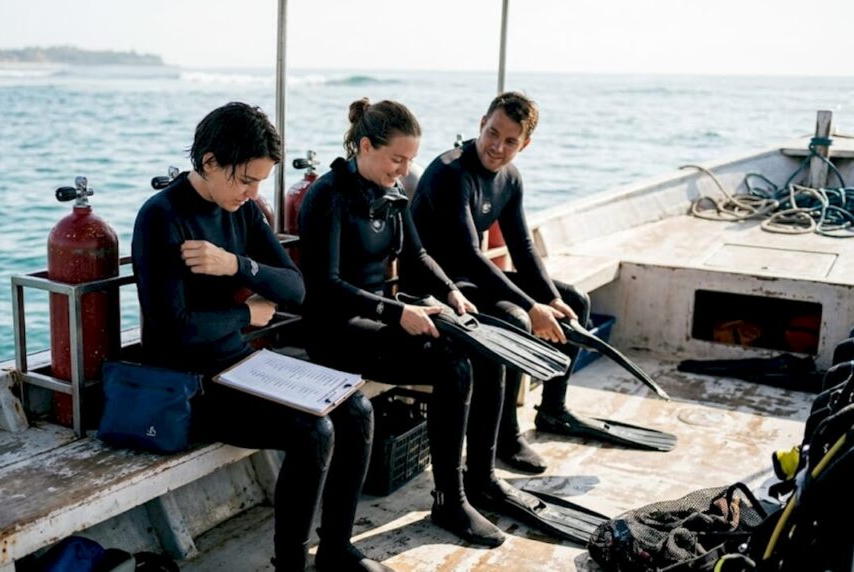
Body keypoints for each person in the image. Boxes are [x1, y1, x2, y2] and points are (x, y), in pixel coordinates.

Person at [132, 102, 385, 572]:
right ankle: (289, 566)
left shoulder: (242, 212)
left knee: (357, 407)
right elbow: (174, 330)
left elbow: (297, 288)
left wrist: (237, 265)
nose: (251, 193)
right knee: (313, 430)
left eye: (260, 183)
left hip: (241, 365)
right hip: (189, 386)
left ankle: (335, 550)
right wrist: (246, 313)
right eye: (245, 179)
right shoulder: (161, 216)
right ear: (209, 162)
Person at [300, 98, 535, 549]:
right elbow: (324, 285)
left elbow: (418, 256)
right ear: (365, 146)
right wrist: (396, 313)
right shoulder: (327, 196)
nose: (405, 168)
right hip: (332, 331)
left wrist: (451, 292)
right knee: (453, 365)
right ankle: (451, 500)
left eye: (409, 159)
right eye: (397, 159)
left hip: (378, 320)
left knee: (486, 345)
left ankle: (476, 480)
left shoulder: (392, 192)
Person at [408, 91, 591, 474]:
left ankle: (553, 411)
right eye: (493, 133)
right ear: (481, 124)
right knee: (517, 319)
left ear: (526, 143)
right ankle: (506, 437)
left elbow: (522, 247)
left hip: (473, 281)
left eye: (510, 141)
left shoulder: (510, 178)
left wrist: (551, 299)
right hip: (437, 286)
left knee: (577, 301)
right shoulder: (450, 173)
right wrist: (530, 306)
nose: (497, 146)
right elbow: (469, 256)